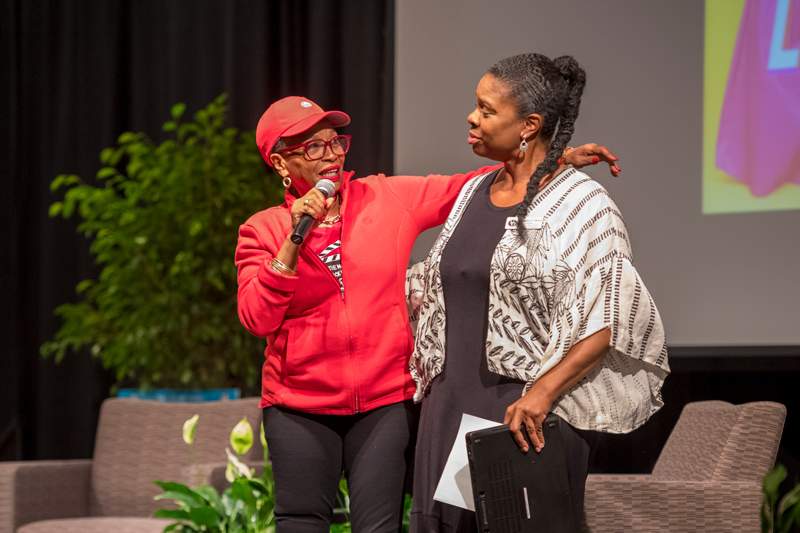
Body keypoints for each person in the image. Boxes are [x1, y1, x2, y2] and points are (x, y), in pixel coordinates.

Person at [235, 95, 619, 532]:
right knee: (300, 523)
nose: (332, 156)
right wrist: (292, 240)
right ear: (282, 165)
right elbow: (257, 319)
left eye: (336, 143)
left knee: (379, 527)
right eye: (313, 148)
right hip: (299, 408)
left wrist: (554, 158)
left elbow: (471, 186)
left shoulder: (385, 197)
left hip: (382, 402)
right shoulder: (262, 229)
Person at [409, 53, 669, 533]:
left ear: (529, 125)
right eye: (476, 106)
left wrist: (542, 395)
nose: (472, 117)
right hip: (448, 407)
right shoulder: (473, 193)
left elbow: (605, 318)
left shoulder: (584, 205)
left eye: (487, 110)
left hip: (521, 415)